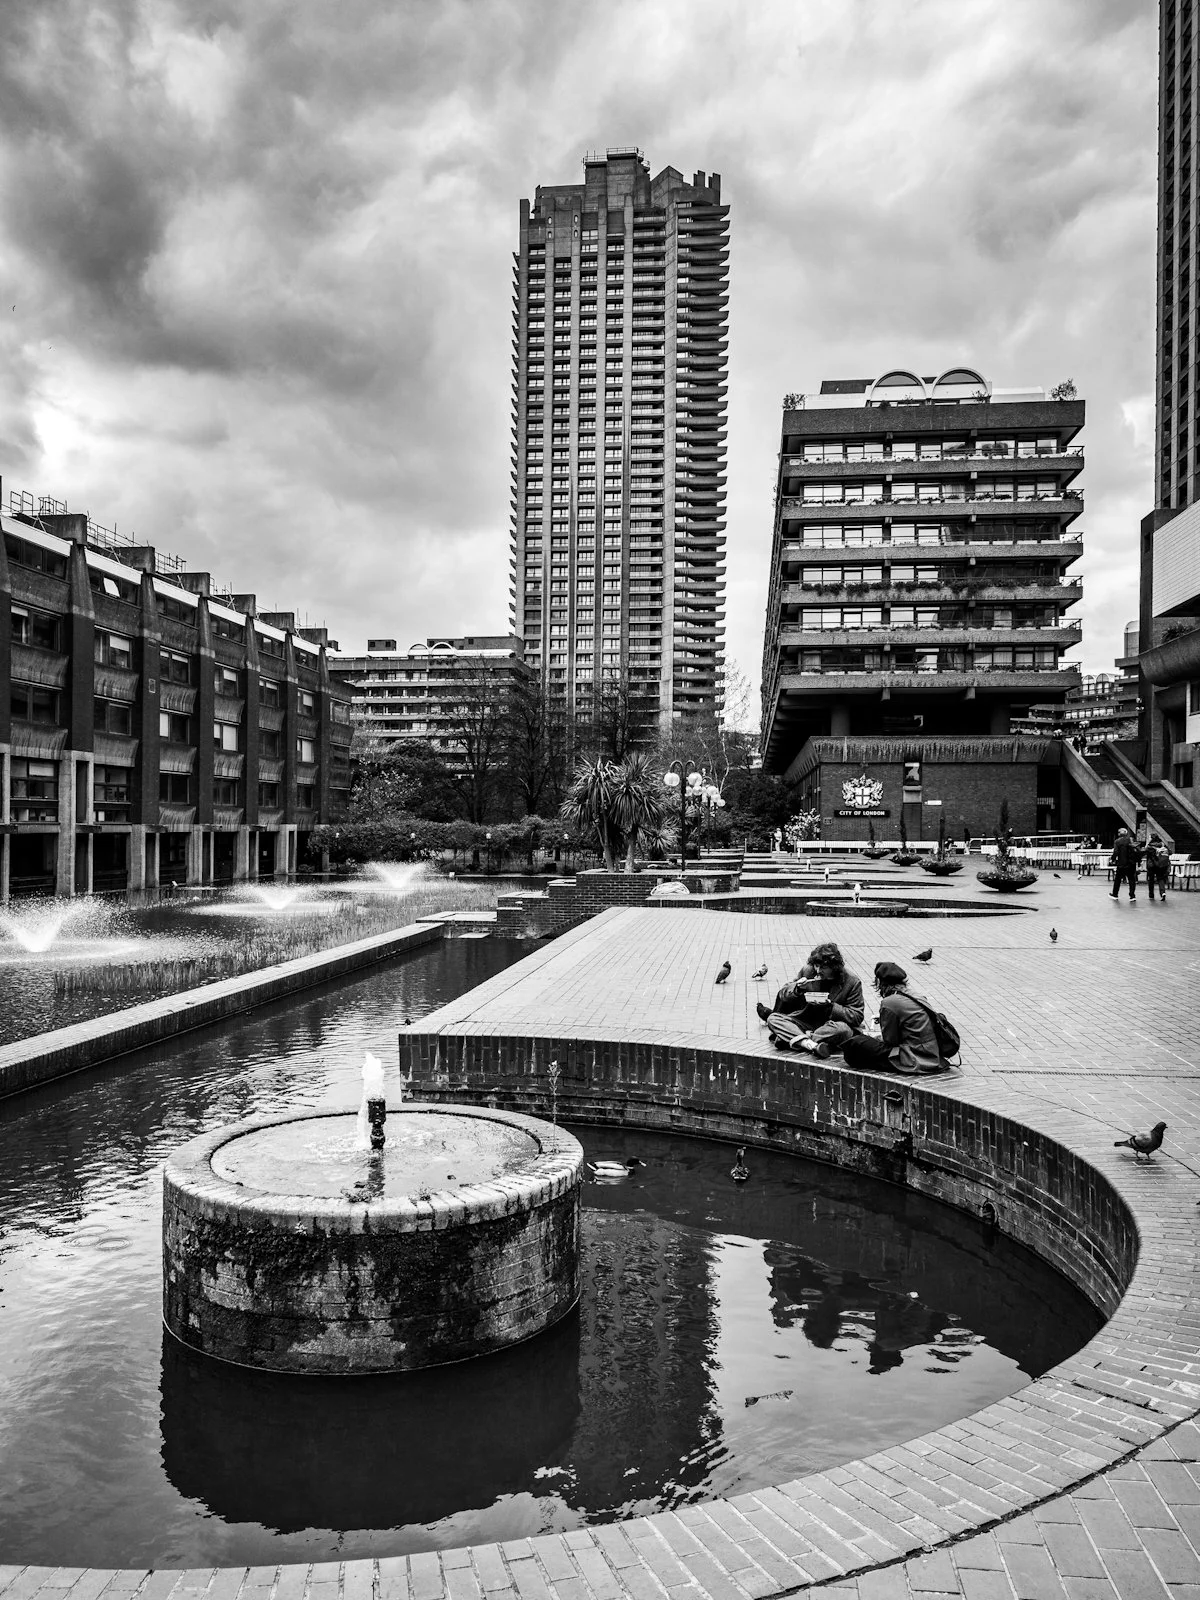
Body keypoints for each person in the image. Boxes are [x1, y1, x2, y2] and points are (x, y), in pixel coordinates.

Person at [757, 941, 864, 1057]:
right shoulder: (808, 971)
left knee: (843, 1030)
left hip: (830, 1026)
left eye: (823, 967)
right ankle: (810, 1044)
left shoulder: (852, 981)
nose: (818, 971)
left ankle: (794, 1038)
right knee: (773, 1018)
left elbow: (857, 1016)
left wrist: (830, 1006)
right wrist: (797, 988)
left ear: (834, 966)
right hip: (806, 1021)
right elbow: (783, 994)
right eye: (816, 966)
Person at [842, 962, 945, 1076]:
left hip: (914, 1057)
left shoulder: (889, 1002)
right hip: (932, 1054)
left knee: (856, 1044)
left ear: (879, 982)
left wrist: (876, 1035)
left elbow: (890, 1041)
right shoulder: (915, 995)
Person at [1109, 828, 1140, 902]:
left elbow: (1116, 852)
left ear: (1119, 834)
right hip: (1131, 863)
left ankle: (1115, 894)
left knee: (1118, 879)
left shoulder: (1117, 841)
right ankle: (1132, 896)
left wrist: (1112, 859)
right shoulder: (1131, 840)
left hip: (1122, 863)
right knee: (1132, 879)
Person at [1145, 835, 1171, 903]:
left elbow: (1144, 851)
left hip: (1151, 865)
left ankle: (1151, 895)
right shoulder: (1162, 844)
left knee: (1151, 880)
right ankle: (1162, 892)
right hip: (1161, 865)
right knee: (1160, 878)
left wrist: (1147, 844)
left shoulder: (1149, 846)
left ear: (1151, 838)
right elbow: (1170, 852)